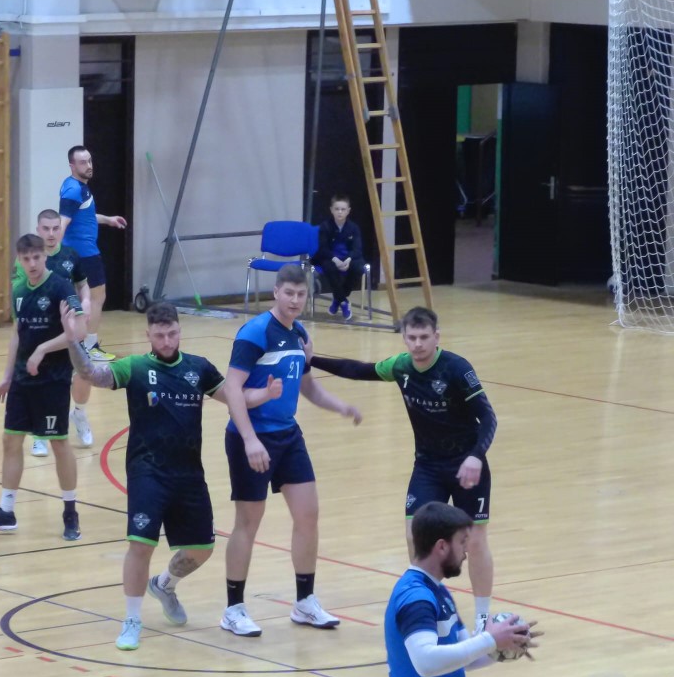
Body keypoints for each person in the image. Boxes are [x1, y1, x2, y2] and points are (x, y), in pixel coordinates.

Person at [61, 300, 282, 651]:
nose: (166, 341)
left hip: (188, 472)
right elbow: (91, 374)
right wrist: (73, 341)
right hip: (147, 470)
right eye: (160, 335)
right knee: (140, 544)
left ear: (180, 331)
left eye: (172, 334)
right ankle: (132, 619)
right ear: (148, 334)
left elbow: (234, 397)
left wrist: (265, 395)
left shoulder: (198, 368)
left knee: (202, 548)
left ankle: (164, 584)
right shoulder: (135, 367)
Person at [309, 306, 498, 633]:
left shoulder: (456, 369)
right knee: (415, 534)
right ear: (404, 338)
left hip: (467, 465)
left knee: (475, 541)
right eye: (412, 338)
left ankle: (482, 618)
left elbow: (489, 418)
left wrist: (476, 457)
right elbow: (359, 369)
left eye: (424, 337)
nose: (418, 344)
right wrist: (311, 359)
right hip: (428, 466)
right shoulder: (400, 366)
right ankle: (431, 606)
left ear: (437, 337)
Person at [222, 263, 363, 637]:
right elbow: (232, 389)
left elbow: (308, 387)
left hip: (288, 436)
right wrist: (250, 440)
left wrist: (341, 407)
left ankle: (304, 602)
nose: (295, 300)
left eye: (301, 295)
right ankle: (233, 608)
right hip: (252, 437)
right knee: (248, 522)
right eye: (289, 293)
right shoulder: (255, 333)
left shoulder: (300, 333)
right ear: (276, 292)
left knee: (308, 515)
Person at [384, 502, 541, 677]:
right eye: (462, 542)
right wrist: (490, 639)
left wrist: (503, 645)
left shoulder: (438, 592)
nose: (466, 551)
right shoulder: (416, 597)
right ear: (441, 547)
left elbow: (464, 658)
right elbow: (425, 662)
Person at [0, 234, 85, 541]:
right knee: (10, 440)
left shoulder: (61, 287)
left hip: (53, 380)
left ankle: (70, 511)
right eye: (26, 259)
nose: (32, 264)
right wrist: (7, 375)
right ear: (19, 261)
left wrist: (42, 350)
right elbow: (17, 334)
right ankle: (6, 511)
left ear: (44, 257)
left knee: (59, 443)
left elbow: (79, 330)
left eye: (36, 258)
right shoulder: (19, 290)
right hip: (23, 380)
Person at [16, 209, 93, 458]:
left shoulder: (71, 255)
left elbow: (82, 284)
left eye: (55, 228)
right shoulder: (30, 262)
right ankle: (40, 435)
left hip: (69, 327)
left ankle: (79, 414)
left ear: (61, 229)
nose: (51, 233)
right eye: (46, 229)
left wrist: (86, 302)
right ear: (38, 230)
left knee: (83, 374)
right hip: (41, 328)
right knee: (41, 381)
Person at [58, 144, 127, 365]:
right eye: (82, 162)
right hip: (85, 254)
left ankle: (77, 347)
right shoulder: (74, 190)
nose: (88, 166)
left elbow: (84, 216)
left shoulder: (76, 187)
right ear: (72, 165)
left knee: (82, 300)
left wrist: (108, 220)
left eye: (89, 161)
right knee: (97, 298)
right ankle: (90, 346)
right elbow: (63, 222)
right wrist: (54, 254)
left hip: (81, 253)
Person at [311, 194, 364, 320]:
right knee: (329, 267)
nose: (340, 212)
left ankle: (337, 299)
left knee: (358, 268)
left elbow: (357, 249)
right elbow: (323, 248)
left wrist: (348, 259)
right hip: (330, 257)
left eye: (343, 209)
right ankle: (344, 302)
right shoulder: (325, 226)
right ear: (331, 210)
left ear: (348, 211)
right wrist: (335, 260)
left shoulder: (354, 228)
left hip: (348, 258)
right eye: (337, 209)